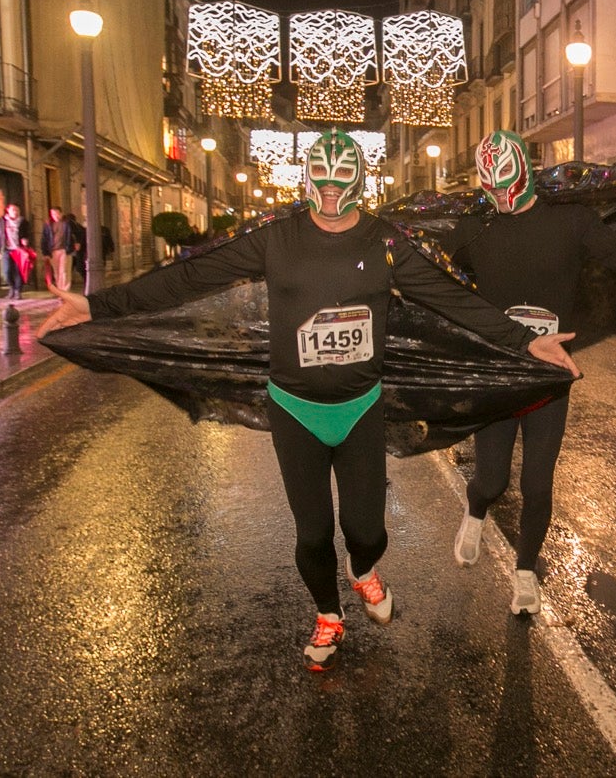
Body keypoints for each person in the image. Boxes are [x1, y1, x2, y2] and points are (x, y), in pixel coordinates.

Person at [37, 129, 582, 673]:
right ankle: (327, 613)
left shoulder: (383, 242)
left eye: (340, 183)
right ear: (307, 182)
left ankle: (363, 570)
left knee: (368, 531)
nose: (328, 197)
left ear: (359, 184)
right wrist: (95, 307)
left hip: (360, 407)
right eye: (319, 184)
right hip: (294, 410)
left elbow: (450, 298)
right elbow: (190, 276)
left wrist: (523, 340)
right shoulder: (276, 238)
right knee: (313, 531)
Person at [439, 130, 616, 614]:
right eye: (490, 188)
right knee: (492, 480)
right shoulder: (474, 229)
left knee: (538, 483)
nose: (499, 196)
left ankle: (524, 573)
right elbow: (431, 275)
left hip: (551, 375)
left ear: (526, 176)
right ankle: (475, 510)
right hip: (499, 376)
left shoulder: (571, 222)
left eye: (506, 186)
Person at [0, 203, 33, 300]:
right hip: (7, 249)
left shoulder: (23, 222)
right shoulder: (2, 221)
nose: (15, 212)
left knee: (19, 272)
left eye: (17, 210)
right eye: (13, 210)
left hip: (19, 250)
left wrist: (26, 240)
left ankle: (18, 291)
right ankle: (12, 288)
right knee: (7, 271)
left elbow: (28, 234)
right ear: (8, 211)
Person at [39, 206, 75, 290]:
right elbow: (44, 239)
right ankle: (60, 290)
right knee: (57, 273)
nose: (55, 216)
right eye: (53, 214)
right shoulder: (48, 224)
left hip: (65, 250)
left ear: (61, 213)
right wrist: (45, 253)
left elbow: (77, 232)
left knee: (64, 271)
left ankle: (65, 291)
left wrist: (76, 243)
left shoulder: (68, 223)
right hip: (53, 251)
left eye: (57, 213)